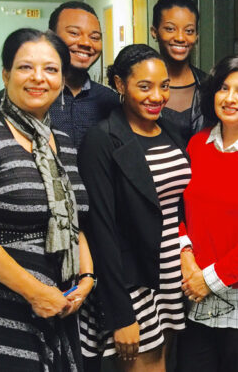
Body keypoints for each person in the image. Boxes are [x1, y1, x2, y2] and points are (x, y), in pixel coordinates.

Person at [0, 28, 94, 371]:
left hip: (58, 303)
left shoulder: (63, 142)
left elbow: (73, 219)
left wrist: (86, 277)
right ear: (6, 74)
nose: (39, 78)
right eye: (26, 67)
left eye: (51, 69)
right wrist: (35, 292)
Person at [77, 44, 188, 371]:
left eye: (164, 86)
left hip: (170, 275)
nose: (157, 96)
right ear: (119, 84)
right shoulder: (102, 139)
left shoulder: (171, 129)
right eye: (145, 86)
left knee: (165, 364)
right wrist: (120, 313)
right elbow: (101, 230)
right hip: (132, 280)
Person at [175, 55, 238, 372]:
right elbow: (178, 209)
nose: (230, 98)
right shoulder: (196, 145)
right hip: (193, 287)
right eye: (223, 88)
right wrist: (186, 255)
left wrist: (211, 279)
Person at [0, 1, 119, 148]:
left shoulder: (110, 101)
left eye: (94, 37)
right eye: (74, 33)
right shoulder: (13, 100)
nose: (86, 43)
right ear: (51, 36)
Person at [151, 0, 209, 141]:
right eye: (170, 29)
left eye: (189, 31)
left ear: (196, 36)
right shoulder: (139, 88)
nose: (180, 38)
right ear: (154, 32)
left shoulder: (210, 86)